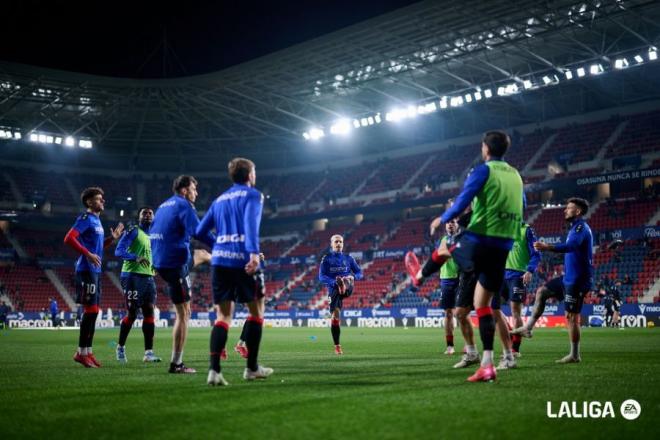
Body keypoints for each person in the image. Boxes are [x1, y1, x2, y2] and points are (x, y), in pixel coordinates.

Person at [408, 131, 524, 382]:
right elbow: (521, 205)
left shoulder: (483, 170)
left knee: (445, 248)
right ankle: (487, 365)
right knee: (482, 306)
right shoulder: (516, 175)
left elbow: (463, 199)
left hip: (483, 238)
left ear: (485, 148)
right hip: (504, 245)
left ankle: (418, 276)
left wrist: (444, 217)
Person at [196, 157, 273, 386]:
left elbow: (199, 231)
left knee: (223, 317)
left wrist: (220, 244)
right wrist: (252, 253)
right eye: (255, 171)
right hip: (242, 259)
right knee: (257, 312)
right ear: (249, 175)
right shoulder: (253, 195)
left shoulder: (219, 200)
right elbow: (251, 225)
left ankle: (214, 371)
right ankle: (251, 368)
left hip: (219, 260)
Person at [512, 197, 593, 363]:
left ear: (577, 211)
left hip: (577, 280)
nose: (565, 210)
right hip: (568, 278)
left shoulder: (581, 228)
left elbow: (572, 247)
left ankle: (575, 355)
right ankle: (528, 328)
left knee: (571, 317)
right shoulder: (574, 228)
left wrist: (548, 247)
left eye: (569, 208)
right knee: (542, 292)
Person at [150, 175, 215, 374]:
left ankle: (223, 260)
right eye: (194, 189)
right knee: (184, 313)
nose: (196, 192)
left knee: (202, 254)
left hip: (161, 261)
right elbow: (199, 232)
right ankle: (176, 364)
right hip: (175, 264)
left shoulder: (163, 205)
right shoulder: (184, 205)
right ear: (185, 190)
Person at [64, 187, 124, 368]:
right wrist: (87, 254)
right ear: (89, 202)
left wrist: (111, 239)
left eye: (102, 198)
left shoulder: (97, 221)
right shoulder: (85, 219)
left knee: (94, 311)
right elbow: (69, 238)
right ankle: (81, 352)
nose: (103, 201)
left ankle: (87, 352)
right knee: (90, 311)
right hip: (86, 269)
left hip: (95, 271)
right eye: (99, 199)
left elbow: (97, 249)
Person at [114, 206, 162, 363]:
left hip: (148, 278)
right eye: (144, 213)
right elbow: (118, 251)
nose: (148, 215)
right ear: (139, 217)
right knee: (133, 314)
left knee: (149, 313)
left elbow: (153, 255)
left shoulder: (154, 236)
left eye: (150, 213)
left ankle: (148, 353)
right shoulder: (133, 231)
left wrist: (155, 266)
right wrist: (136, 257)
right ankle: (120, 347)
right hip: (132, 276)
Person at [500, 222, 541, 356]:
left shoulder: (527, 230)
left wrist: (529, 270)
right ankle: (513, 331)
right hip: (501, 275)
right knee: (491, 307)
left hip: (518, 275)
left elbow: (536, 254)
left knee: (515, 312)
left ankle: (515, 349)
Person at [318, 234, 363, 355]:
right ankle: (337, 346)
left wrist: (353, 277)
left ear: (343, 244)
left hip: (348, 285)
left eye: (340, 242)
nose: (338, 244)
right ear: (331, 244)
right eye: (336, 242)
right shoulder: (326, 259)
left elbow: (359, 272)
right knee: (335, 317)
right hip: (334, 289)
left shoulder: (349, 258)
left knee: (347, 279)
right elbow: (321, 277)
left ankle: (344, 284)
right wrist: (334, 282)